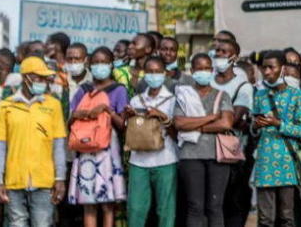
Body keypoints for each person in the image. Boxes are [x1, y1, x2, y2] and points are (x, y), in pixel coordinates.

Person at [0, 57, 67, 227]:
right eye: (38, 78)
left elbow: (58, 145)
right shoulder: (5, 106)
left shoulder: (53, 105)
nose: (43, 82)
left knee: (43, 224)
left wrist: (60, 178)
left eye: (44, 78)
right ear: (26, 78)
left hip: (44, 180)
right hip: (14, 180)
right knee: (16, 223)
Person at [68, 47, 128, 227]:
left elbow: (123, 125)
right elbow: (70, 121)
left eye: (104, 63)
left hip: (108, 150)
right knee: (89, 202)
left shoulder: (119, 90)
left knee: (108, 203)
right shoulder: (83, 89)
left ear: (111, 65)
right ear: (89, 64)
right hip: (86, 149)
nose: (99, 66)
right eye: (95, 63)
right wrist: (80, 114)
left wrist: (106, 109)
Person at [174, 53, 234, 227]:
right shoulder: (184, 95)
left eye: (207, 68)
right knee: (195, 207)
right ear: (192, 71)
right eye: (199, 69)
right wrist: (210, 118)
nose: (203, 72)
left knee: (215, 206)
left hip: (218, 156)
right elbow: (179, 123)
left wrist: (196, 127)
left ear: (212, 70)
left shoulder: (222, 95)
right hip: (190, 156)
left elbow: (226, 123)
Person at [252, 51, 301, 227]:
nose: (267, 72)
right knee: (265, 219)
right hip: (265, 161)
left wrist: (278, 123)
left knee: (287, 217)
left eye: (271, 67)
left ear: (282, 69)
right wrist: (256, 126)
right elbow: (253, 129)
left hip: (287, 162)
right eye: (264, 68)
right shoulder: (260, 95)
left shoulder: (297, 95)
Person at [124, 56, 177, 227]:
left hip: (166, 160)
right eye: (149, 72)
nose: (153, 76)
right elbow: (129, 131)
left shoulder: (172, 100)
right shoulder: (136, 100)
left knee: (165, 211)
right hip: (138, 161)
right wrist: (129, 116)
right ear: (143, 74)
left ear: (164, 73)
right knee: (136, 210)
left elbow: (178, 134)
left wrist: (162, 117)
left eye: (157, 72)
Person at [208, 39, 253, 227]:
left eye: (224, 51)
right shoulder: (205, 80)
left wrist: (200, 120)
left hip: (230, 152)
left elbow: (233, 119)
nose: (218, 54)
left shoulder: (243, 86)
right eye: (217, 50)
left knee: (232, 201)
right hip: (204, 150)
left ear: (234, 57)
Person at [63, 43, 92, 118]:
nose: (73, 62)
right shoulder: (60, 79)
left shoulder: (93, 81)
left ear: (85, 59)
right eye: (69, 59)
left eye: (77, 58)